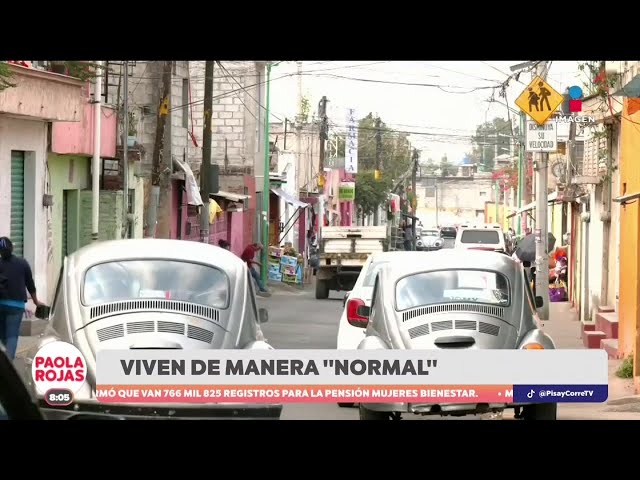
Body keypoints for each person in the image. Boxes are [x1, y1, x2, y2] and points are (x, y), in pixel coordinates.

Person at [0, 237, 43, 359]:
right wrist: (35, 301)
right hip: (16, 306)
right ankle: (9, 365)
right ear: (12, 248)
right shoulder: (22, 263)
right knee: (12, 336)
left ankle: (6, 358)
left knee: (3, 336)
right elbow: (30, 284)